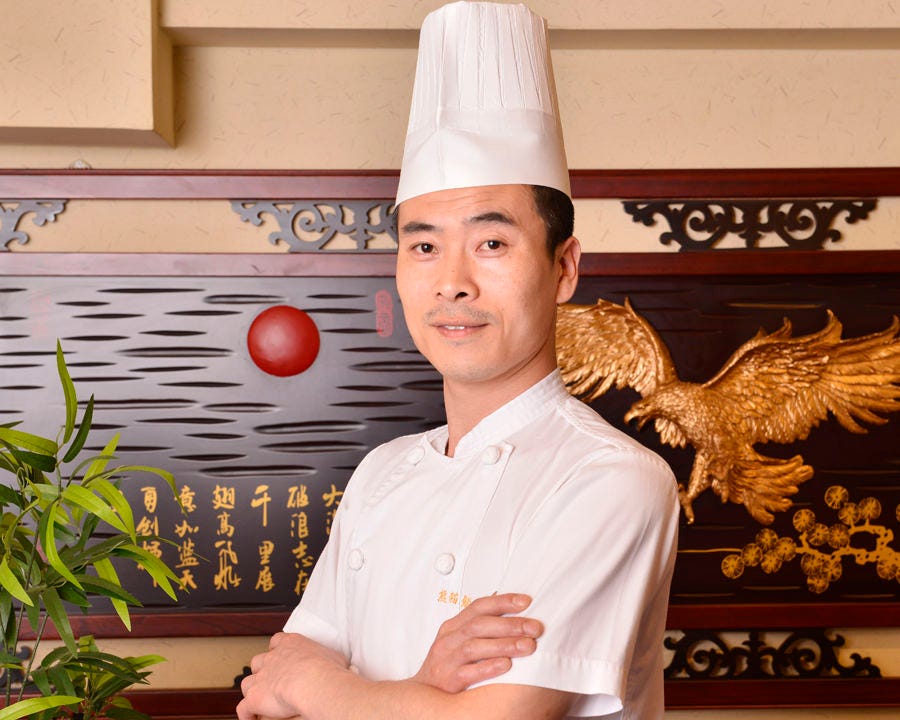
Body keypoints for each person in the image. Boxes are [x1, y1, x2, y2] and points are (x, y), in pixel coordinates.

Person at [237, 3, 679, 719]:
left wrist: (319, 686)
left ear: (564, 268)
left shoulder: (610, 479)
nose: (452, 283)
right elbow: (267, 692)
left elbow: (491, 718)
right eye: (423, 245)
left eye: (492, 243)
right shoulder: (382, 472)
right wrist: (421, 686)